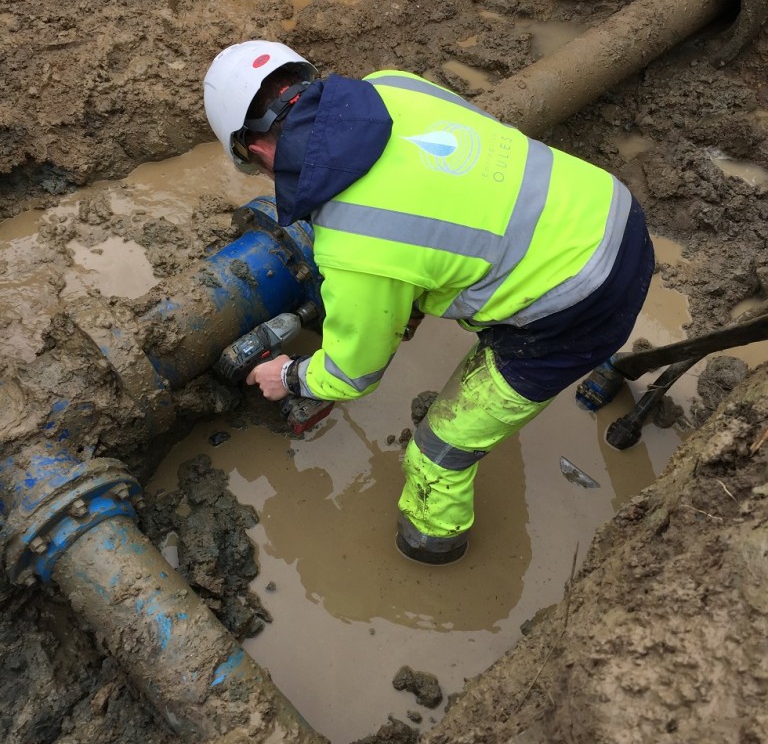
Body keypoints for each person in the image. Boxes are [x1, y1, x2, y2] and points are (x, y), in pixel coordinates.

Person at [204, 40, 654, 565]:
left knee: (437, 454)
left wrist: (289, 375)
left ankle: (431, 549)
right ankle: (602, 364)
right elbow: (458, 192)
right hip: (612, 212)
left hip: (578, 303)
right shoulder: (391, 83)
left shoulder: (353, 244)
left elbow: (352, 375)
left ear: (254, 150)